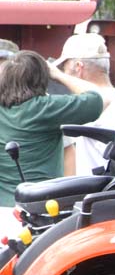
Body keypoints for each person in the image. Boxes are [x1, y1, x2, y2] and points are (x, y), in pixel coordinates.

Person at [0, 50, 106, 207]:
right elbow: (97, 99)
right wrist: (58, 75)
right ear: (41, 80)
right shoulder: (45, 108)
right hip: (41, 205)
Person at [54, 33, 115, 176]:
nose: (64, 73)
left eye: (65, 69)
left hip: (94, 193)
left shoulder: (90, 107)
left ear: (79, 68)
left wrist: (57, 76)